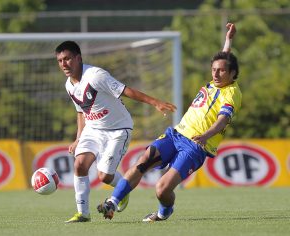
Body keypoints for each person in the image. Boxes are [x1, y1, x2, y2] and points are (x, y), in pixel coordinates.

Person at [97, 23, 242, 222]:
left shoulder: (231, 93)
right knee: (143, 162)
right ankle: (112, 202)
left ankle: (164, 212)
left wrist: (205, 136)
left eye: (221, 71)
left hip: (196, 146)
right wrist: (229, 39)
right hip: (175, 135)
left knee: (162, 189)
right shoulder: (216, 81)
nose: (215, 74)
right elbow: (225, 57)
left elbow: (222, 120)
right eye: (213, 70)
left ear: (233, 73)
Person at [55, 41, 176, 223]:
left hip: (118, 129)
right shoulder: (69, 85)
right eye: (60, 61)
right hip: (92, 129)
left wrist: (155, 102)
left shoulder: (96, 76)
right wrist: (78, 138)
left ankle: (122, 190)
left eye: (67, 59)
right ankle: (83, 213)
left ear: (78, 58)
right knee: (79, 165)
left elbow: (126, 91)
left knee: (104, 176)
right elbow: (81, 111)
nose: (64, 64)